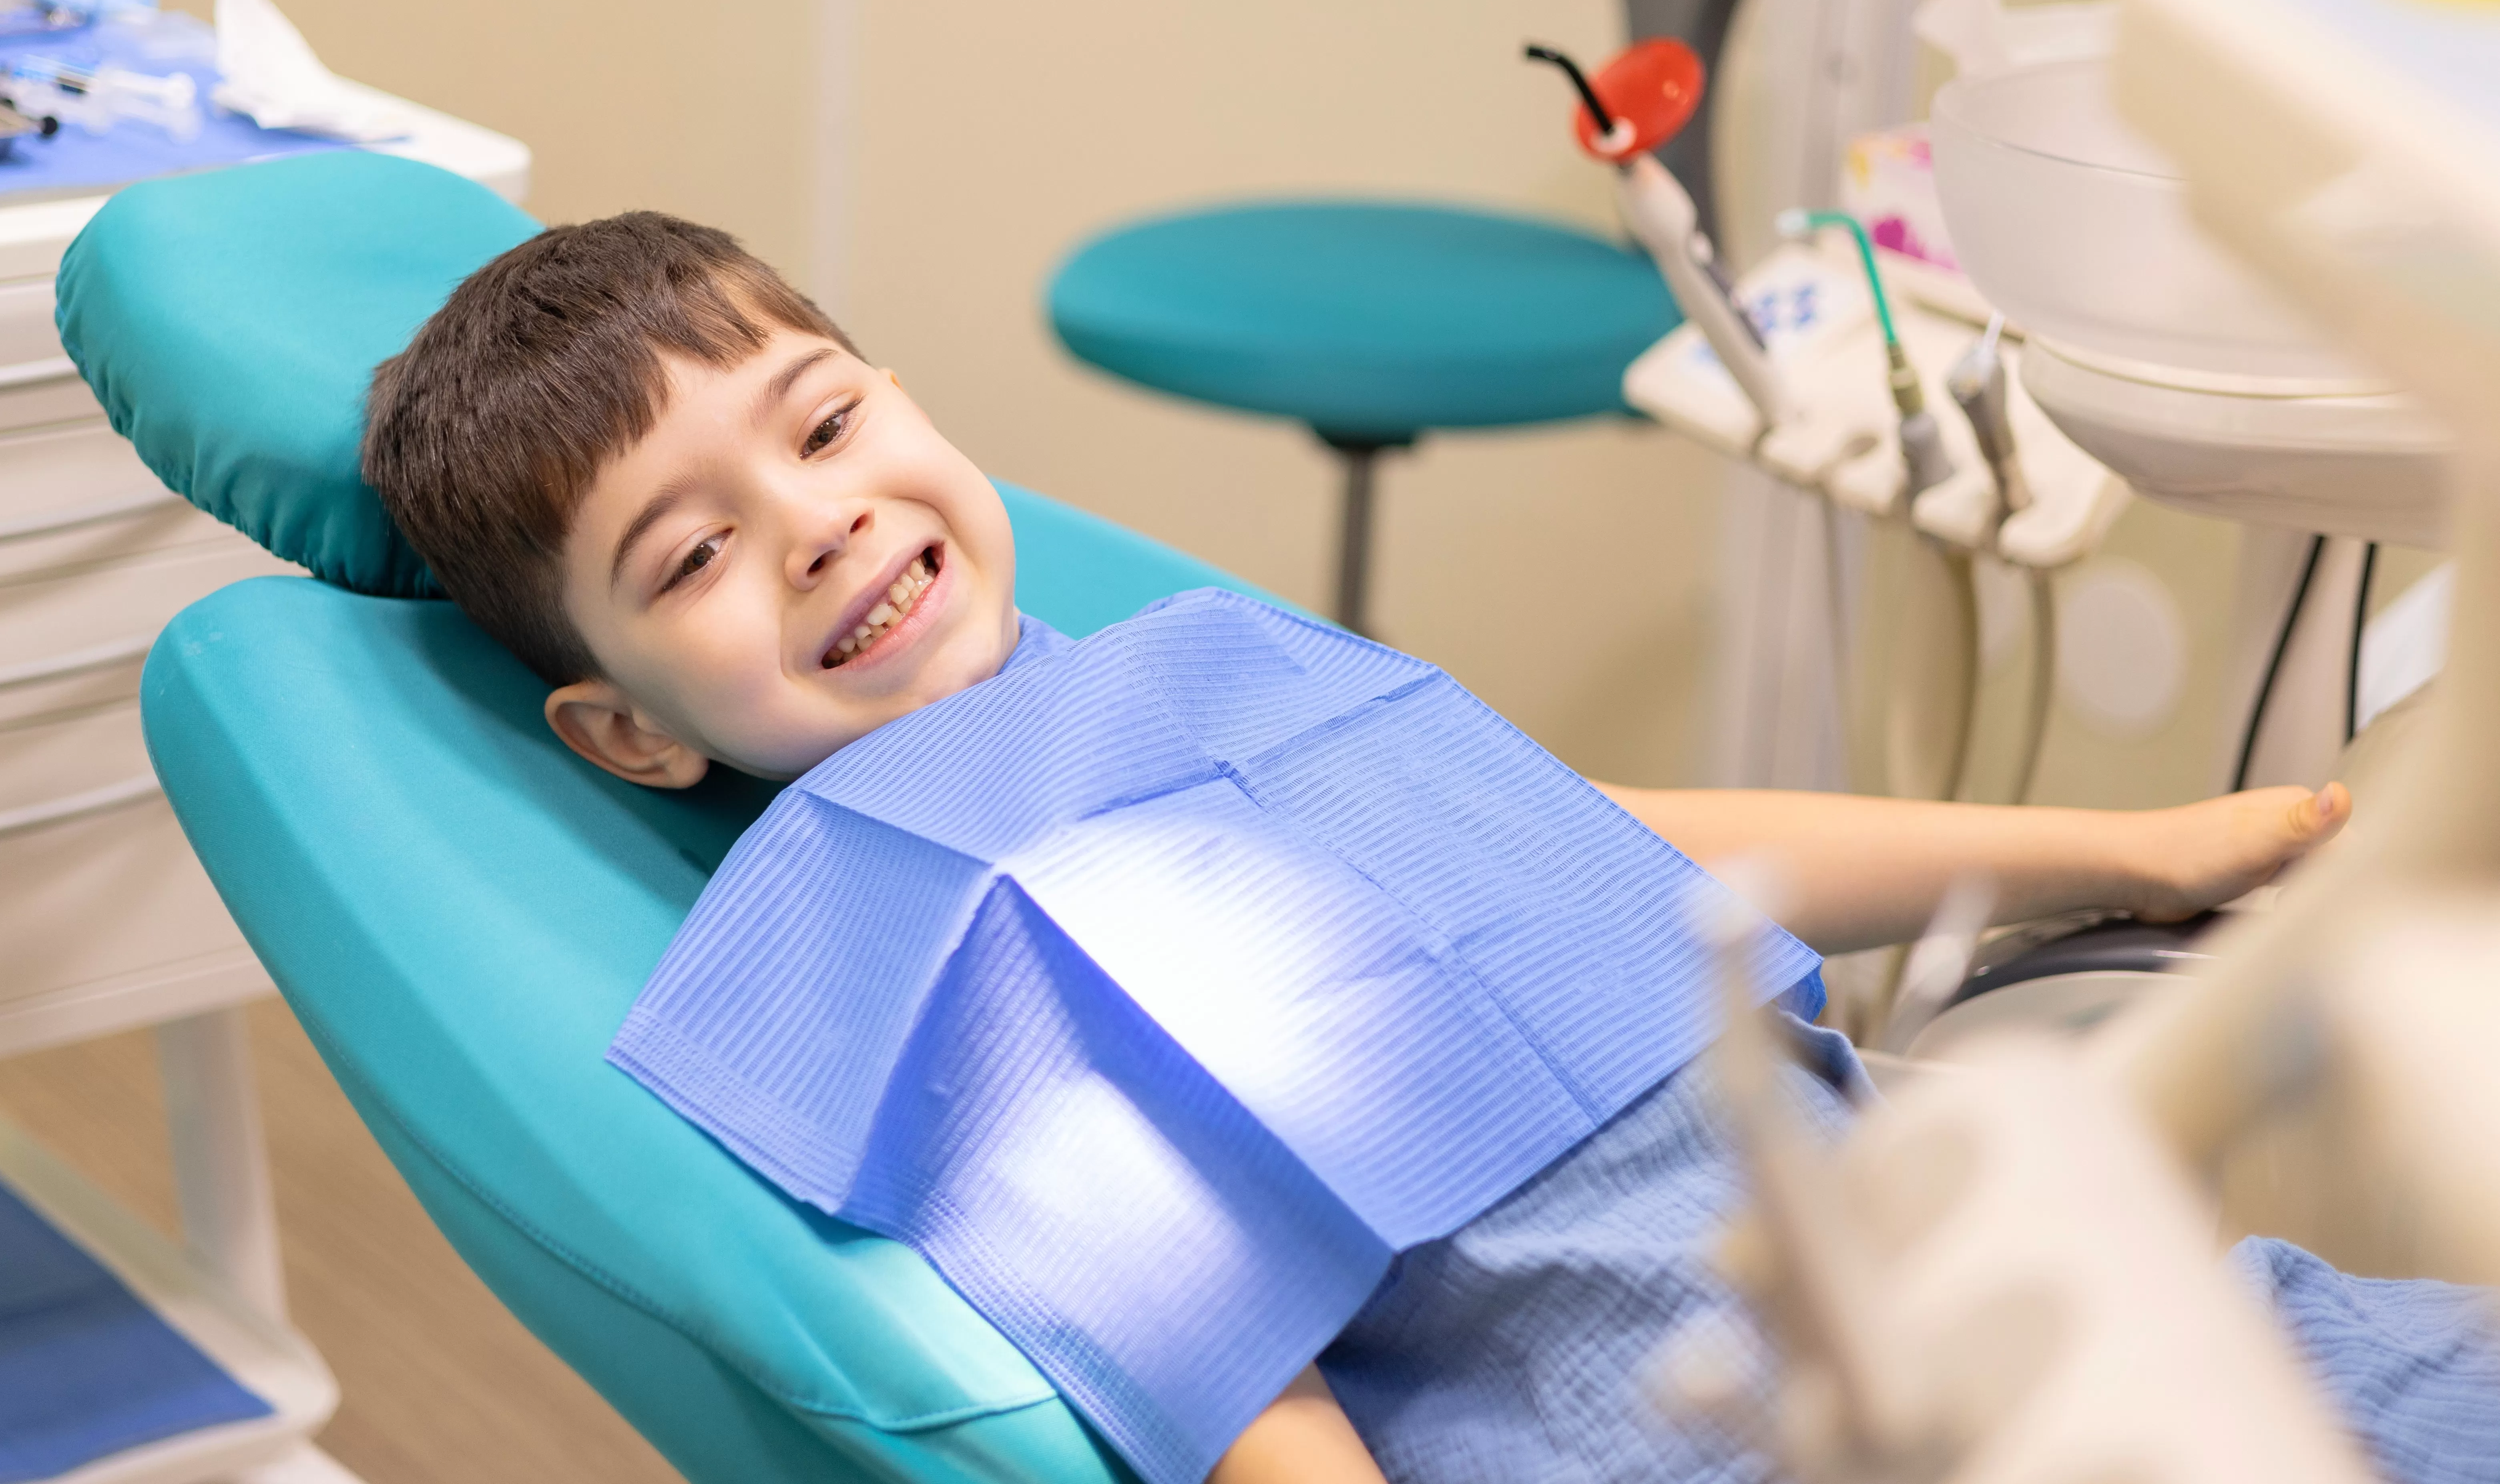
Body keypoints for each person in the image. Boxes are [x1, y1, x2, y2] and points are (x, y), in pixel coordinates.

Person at [362, 211, 2486, 1484]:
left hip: (1974, 1272)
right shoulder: (918, 909)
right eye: (700, 547)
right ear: (626, 728)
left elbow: (1602, 851)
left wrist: (2122, 844)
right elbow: (1223, 1357)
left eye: (823, 424)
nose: (817, 516)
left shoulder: (1179, 665)